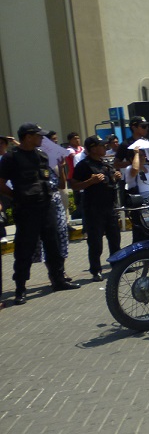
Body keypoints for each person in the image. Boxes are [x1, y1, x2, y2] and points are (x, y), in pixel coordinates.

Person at [0, 123, 80, 304]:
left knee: (53, 246)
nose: (41, 139)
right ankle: (20, 289)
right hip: (26, 211)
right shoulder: (11, 158)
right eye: (38, 136)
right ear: (28, 137)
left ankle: (58, 281)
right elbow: (1, 183)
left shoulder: (41, 156)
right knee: (24, 250)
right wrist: (17, 196)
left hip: (46, 208)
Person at [71, 135, 123, 281]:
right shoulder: (84, 165)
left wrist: (116, 176)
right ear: (93, 148)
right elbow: (74, 185)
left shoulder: (105, 163)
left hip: (109, 207)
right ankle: (95, 270)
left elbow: (110, 180)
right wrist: (90, 181)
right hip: (94, 209)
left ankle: (117, 265)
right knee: (95, 242)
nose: (104, 147)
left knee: (115, 239)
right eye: (101, 145)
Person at [32, 132, 71, 282]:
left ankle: (61, 271)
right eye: (52, 141)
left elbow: (62, 184)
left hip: (56, 202)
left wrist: (61, 168)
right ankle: (53, 273)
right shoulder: (39, 159)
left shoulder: (54, 161)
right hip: (44, 205)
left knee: (61, 235)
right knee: (49, 240)